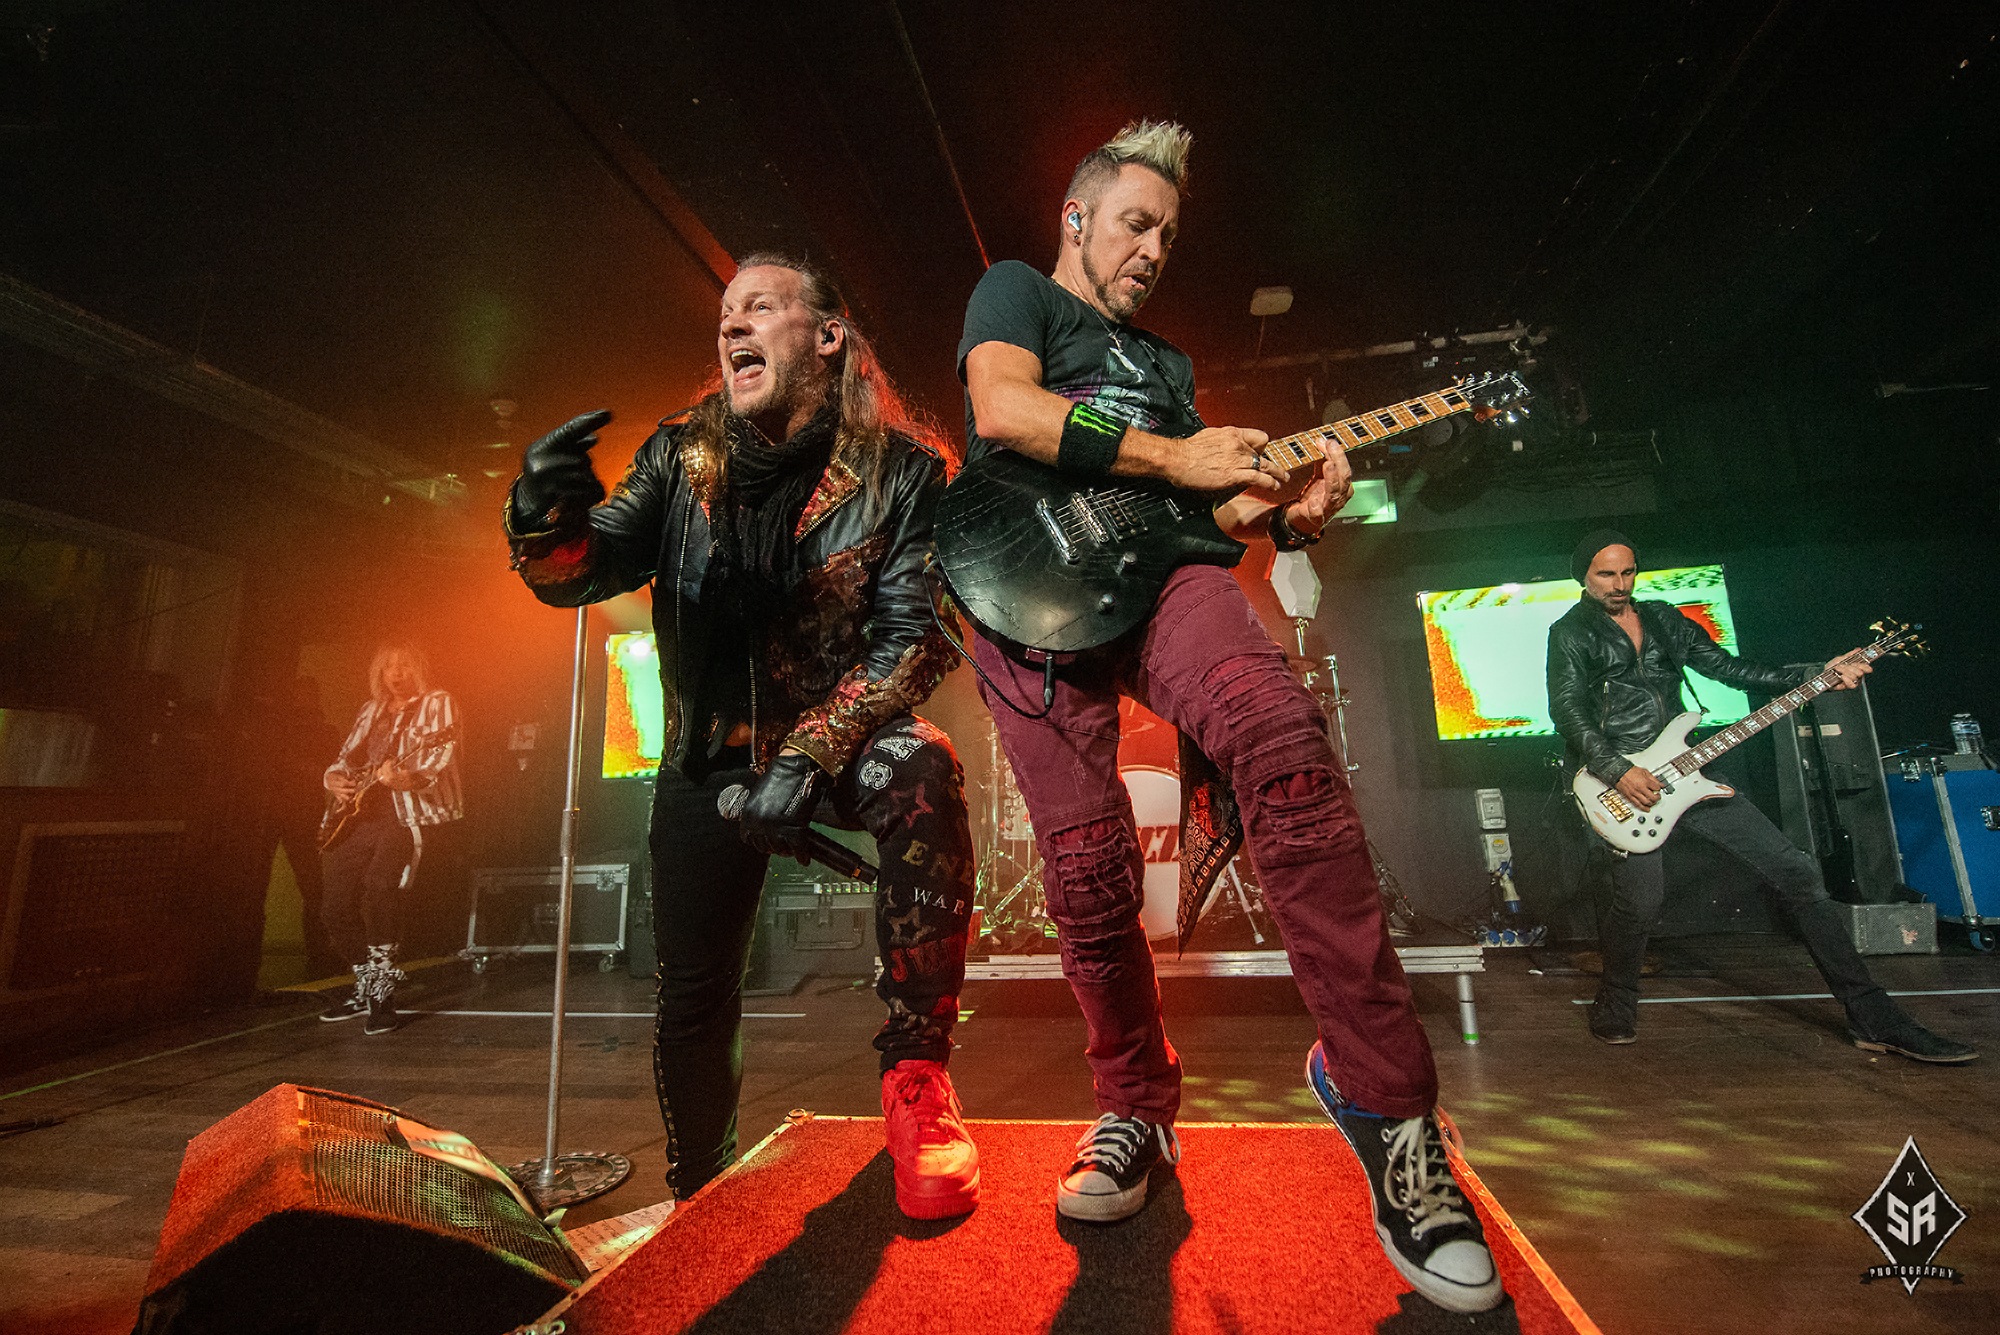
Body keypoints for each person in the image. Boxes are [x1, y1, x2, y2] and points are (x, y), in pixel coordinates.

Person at [956, 121, 1502, 1313]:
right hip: (1018, 591)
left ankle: (1384, 1102)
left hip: (1158, 586)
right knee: (1084, 869)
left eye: (1166, 234)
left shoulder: (1167, 362)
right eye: (1132, 223)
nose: (1151, 250)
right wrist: (1179, 458)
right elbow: (1003, 412)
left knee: (1283, 746)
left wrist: (1290, 509)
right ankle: (1133, 1110)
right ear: (1075, 218)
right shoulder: (1016, 294)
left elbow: (1203, 517)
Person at [504, 255, 983, 1219]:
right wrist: (544, 518)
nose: (732, 327)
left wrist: (807, 754)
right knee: (693, 995)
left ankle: (918, 1083)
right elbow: (587, 568)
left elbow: (916, 638)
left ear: (828, 336)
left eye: (759, 307)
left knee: (924, 765)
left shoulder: (902, 472)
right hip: (707, 759)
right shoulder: (680, 455)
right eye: (725, 314)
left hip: (840, 741)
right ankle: (701, 1197)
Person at [1547, 530, 1976, 1062]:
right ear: (1583, 577)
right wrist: (1617, 770)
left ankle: (1873, 1016)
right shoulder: (1570, 632)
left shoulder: (1662, 618)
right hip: (1625, 783)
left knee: (1797, 873)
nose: (1619, 584)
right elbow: (1568, 710)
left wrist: (1818, 675)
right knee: (1639, 904)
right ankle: (1615, 1000)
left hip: (1691, 770)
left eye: (1627, 572)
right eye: (1606, 574)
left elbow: (1729, 669)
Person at [319, 645, 462, 1035]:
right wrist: (333, 778)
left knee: (380, 890)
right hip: (361, 817)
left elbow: (438, 758)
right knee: (333, 905)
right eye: (389, 668)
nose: (397, 674)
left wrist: (406, 778)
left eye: (405, 666)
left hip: (405, 815)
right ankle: (365, 984)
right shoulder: (371, 710)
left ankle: (382, 994)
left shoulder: (437, 703)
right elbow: (347, 755)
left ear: (419, 669)